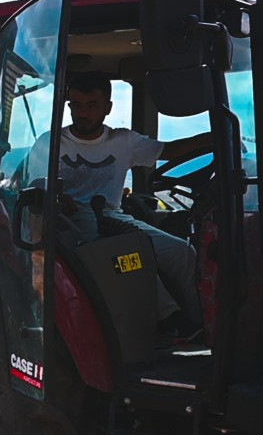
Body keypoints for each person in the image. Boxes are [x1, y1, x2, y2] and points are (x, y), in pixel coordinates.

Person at [27, 72, 211, 340]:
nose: (82, 113)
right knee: (130, 255)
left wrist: (211, 137)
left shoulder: (123, 141)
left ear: (107, 108)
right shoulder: (51, 142)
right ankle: (171, 319)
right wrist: (54, 193)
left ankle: (204, 324)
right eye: (76, 105)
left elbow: (167, 151)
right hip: (71, 224)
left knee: (182, 252)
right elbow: (34, 184)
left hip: (113, 217)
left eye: (91, 106)